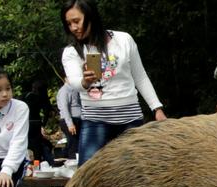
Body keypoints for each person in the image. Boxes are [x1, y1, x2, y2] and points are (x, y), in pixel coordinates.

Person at [61, 0, 166, 166]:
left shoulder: (124, 40)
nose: (73, 28)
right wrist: (85, 81)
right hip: (95, 121)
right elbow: (74, 82)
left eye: (76, 21)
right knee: (86, 179)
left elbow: (140, 76)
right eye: (68, 24)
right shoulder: (71, 51)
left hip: (130, 120)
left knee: (136, 176)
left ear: (91, 16)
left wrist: (157, 108)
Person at [24, 80, 55, 165]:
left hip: (26, 122)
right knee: (37, 145)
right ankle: (37, 163)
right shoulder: (42, 98)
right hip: (36, 122)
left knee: (28, 143)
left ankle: (28, 162)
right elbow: (46, 112)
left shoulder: (26, 96)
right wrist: (43, 125)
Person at [57, 75, 82, 159]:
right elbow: (64, 108)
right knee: (74, 145)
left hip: (78, 119)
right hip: (70, 120)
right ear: (66, 79)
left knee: (77, 144)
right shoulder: (64, 91)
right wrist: (70, 124)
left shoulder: (75, 89)